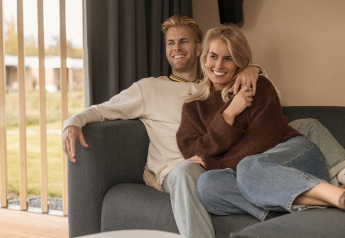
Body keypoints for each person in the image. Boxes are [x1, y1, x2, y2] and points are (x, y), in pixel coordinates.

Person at [62, 15, 345, 238]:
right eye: (170, 43)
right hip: (189, 167)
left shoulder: (218, 86)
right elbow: (103, 109)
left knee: (302, 127)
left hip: (225, 164)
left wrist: (252, 69)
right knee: (197, 175)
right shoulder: (151, 89)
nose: (176, 48)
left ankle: (310, 194)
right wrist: (74, 121)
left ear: (198, 49)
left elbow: (261, 105)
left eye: (183, 42)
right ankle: (306, 196)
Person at [176, 24, 345, 222]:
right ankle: (327, 199)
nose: (219, 65)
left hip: (294, 157)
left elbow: (264, 141)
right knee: (207, 185)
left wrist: (214, 159)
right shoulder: (192, 107)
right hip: (256, 179)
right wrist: (228, 114)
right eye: (213, 56)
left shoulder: (258, 86)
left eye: (228, 58)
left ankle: (332, 195)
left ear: (239, 62)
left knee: (249, 167)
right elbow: (193, 151)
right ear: (204, 59)